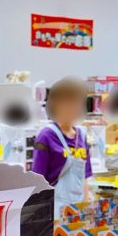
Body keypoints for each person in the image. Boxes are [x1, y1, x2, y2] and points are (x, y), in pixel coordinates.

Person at [32, 77, 92, 216]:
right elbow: (38, 178)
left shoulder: (82, 135)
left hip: (78, 207)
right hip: (54, 207)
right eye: (68, 103)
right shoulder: (46, 135)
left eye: (77, 103)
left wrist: (86, 203)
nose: (74, 108)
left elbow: (85, 175)